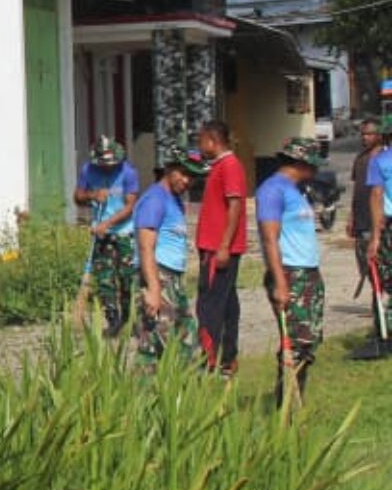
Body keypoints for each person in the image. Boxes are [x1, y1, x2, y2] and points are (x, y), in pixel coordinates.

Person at [255, 138, 327, 408]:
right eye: (313, 164)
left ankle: (296, 401)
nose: (316, 170)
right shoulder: (272, 190)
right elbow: (269, 238)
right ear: (300, 163)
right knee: (294, 343)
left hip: (307, 273)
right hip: (290, 274)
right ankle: (286, 407)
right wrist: (280, 282)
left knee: (308, 341)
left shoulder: (295, 190)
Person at [133, 146, 208, 370]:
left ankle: (179, 389)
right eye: (182, 173)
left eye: (191, 176)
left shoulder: (173, 200)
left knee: (183, 340)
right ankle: (148, 389)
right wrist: (154, 289)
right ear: (168, 169)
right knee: (159, 343)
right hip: (158, 275)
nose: (186, 180)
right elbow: (146, 247)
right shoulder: (154, 199)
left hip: (172, 278)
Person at [193, 119, 249, 375]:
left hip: (218, 249)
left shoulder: (230, 166)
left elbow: (235, 205)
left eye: (201, 140)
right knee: (225, 302)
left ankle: (210, 359)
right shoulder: (218, 166)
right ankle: (227, 358)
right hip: (213, 247)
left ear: (213, 140)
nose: (199, 145)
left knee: (210, 306)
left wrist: (224, 246)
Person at [73, 136, 141, 337]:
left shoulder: (128, 172)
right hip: (101, 234)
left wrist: (108, 224)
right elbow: (78, 197)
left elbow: (130, 206)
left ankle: (129, 320)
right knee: (104, 279)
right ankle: (113, 321)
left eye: (111, 163)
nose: (108, 167)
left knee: (127, 278)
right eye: (104, 164)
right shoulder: (88, 170)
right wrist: (93, 195)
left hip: (125, 232)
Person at [355, 115, 391, 361]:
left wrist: (375, 237)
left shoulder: (380, 161)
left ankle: (384, 334)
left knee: (385, 280)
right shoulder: (376, 160)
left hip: (388, 227)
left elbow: (376, 196)